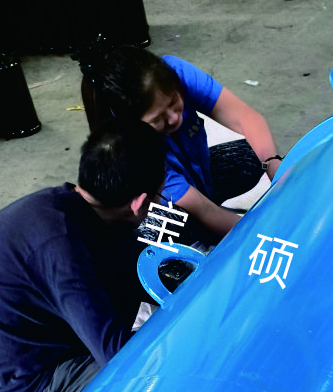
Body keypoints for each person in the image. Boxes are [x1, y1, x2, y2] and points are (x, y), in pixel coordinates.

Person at [0, 120, 167, 392]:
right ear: (139, 202)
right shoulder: (60, 247)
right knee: (149, 381)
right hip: (28, 378)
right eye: (158, 196)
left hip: (52, 334)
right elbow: (117, 355)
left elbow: (143, 264)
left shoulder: (86, 205)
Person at [79, 43, 282, 243]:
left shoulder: (172, 72)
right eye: (158, 119)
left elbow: (245, 117)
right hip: (171, 205)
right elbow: (202, 208)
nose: (174, 118)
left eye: (174, 103)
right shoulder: (129, 145)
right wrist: (262, 238)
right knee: (158, 233)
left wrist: (274, 165)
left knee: (252, 155)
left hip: (198, 179)